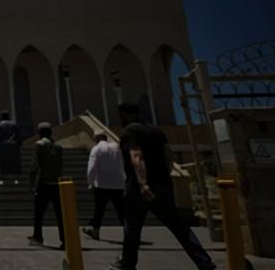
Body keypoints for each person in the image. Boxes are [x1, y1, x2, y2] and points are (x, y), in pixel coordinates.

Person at [110, 103, 216, 270]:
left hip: (139, 188)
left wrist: (143, 184)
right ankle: (204, 262)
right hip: (163, 185)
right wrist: (164, 177)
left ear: (123, 114)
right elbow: (169, 155)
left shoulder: (130, 131)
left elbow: (136, 156)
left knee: (132, 229)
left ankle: (127, 264)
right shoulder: (156, 131)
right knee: (179, 226)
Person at [27, 122, 65, 248]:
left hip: (43, 183)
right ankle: (64, 239)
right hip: (56, 184)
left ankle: (38, 237)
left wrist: (31, 184)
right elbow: (60, 166)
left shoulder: (39, 145)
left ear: (40, 133)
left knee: (39, 212)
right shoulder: (58, 147)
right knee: (60, 213)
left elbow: (34, 166)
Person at [82, 132, 125, 241]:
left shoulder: (96, 149)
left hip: (102, 185)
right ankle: (130, 232)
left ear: (96, 139)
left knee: (99, 210)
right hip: (119, 184)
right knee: (121, 210)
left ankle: (95, 231)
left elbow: (91, 169)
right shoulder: (117, 147)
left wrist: (90, 183)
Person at [0, 111, 22, 186]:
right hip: (14, 146)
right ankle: (16, 179)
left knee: (3, 163)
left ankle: (2, 179)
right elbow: (18, 134)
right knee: (14, 162)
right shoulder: (14, 124)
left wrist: (1, 141)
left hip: (4, 146)